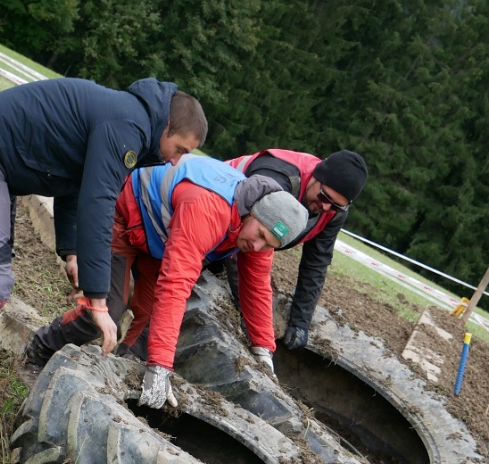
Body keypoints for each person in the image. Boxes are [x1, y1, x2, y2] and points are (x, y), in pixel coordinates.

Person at [0, 77, 207, 439]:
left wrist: (71, 252)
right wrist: (98, 301)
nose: (175, 160)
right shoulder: (129, 126)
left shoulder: (128, 118)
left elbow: (75, 181)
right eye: (179, 148)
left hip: (1, 162)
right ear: (166, 126)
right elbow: (98, 204)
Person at [23, 155, 308, 409]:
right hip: (126, 215)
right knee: (106, 310)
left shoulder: (261, 229)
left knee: (149, 325)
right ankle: (39, 350)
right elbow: (175, 284)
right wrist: (161, 366)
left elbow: (257, 288)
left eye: (268, 245)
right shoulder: (210, 207)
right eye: (259, 235)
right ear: (253, 212)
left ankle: (119, 376)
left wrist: (263, 350)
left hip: (160, 238)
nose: (257, 247)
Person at [224, 149, 368, 350]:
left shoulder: (334, 211)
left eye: (336, 206)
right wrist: (245, 309)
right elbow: (246, 241)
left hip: (239, 241)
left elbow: (316, 263)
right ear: (316, 176)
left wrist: (301, 322)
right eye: (325, 197)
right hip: (218, 224)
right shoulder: (278, 176)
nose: (326, 208)